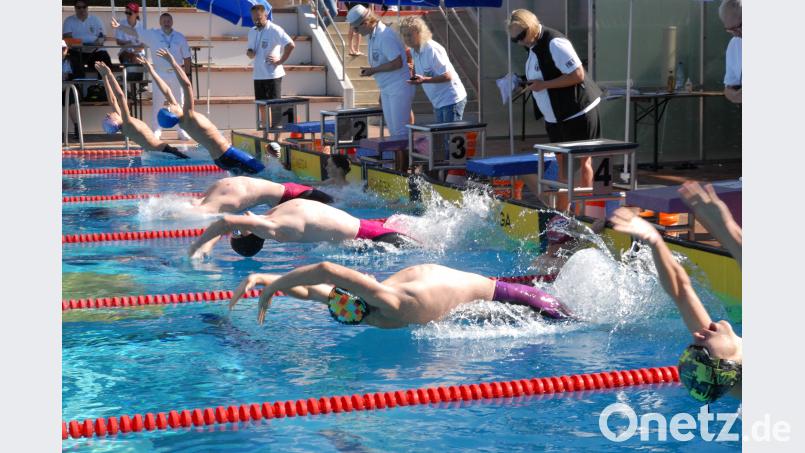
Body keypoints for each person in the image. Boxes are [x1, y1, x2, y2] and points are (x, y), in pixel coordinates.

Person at [609, 206, 741, 403]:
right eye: (702, 348)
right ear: (726, 366)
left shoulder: (722, 356)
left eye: (694, 344)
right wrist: (725, 226)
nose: (697, 334)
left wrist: (655, 241)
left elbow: (680, 291)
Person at [228, 262, 574, 327]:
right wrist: (263, 278)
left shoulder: (394, 304)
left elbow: (327, 270)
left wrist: (272, 286)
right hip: (502, 296)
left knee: (579, 322)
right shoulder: (375, 299)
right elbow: (316, 290)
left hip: (523, 303)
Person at [507, 9, 602, 208]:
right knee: (561, 165)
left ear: (531, 26)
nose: (521, 42)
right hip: (555, 117)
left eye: (522, 36)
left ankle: (585, 211)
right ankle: (562, 213)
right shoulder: (533, 45)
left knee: (583, 162)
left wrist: (545, 85)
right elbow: (545, 72)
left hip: (578, 111)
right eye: (516, 40)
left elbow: (577, 75)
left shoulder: (555, 42)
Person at [140, 49, 266, 175]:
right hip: (229, 154)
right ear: (173, 114)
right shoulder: (189, 116)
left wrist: (151, 71)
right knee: (264, 173)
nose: (171, 103)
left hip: (219, 160)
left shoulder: (183, 122)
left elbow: (166, 91)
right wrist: (172, 61)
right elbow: (187, 85)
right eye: (169, 106)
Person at [188, 199, 417, 259]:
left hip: (374, 228)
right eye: (239, 231)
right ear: (253, 234)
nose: (238, 225)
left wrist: (207, 244)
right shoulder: (275, 228)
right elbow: (227, 222)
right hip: (377, 240)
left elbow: (226, 225)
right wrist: (196, 246)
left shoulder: (271, 215)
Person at [112, 12, 192, 139]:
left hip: (177, 73)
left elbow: (187, 57)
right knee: (158, 103)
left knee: (179, 103)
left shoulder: (179, 37)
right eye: (164, 20)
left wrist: (187, 75)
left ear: (172, 22)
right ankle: (156, 130)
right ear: (160, 22)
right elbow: (135, 32)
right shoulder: (153, 34)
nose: (166, 22)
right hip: (159, 73)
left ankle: (181, 130)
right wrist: (119, 27)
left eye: (169, 20)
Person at [94, 62, 188, 159]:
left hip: (155, 152)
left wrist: (104, 77)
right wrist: (110, 74)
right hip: (164, 151)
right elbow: (120, 96)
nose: (109, 113)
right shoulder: (127, 123)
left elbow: (113, 100)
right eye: (109, 116)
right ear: (114, 121)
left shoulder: (124, 125)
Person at [347, 4, 415, 137]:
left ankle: (406, 158)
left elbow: (397, 62)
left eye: (356, 28)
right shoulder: (372, 35)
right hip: (387, 87)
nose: (355, 31)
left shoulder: (384, 36)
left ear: (366, 23)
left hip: (398, 87)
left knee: (400, 132)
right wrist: (373, 70)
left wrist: (373, 70)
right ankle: (401, 157)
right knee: (393, 131)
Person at [400, 17, 467, 124]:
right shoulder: (413, 50)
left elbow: (448, 76)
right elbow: (411, 59)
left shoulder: (432, 48)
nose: (407, 38)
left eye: (409, 35)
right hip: (437, 102)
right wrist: (410, 69)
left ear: (419, 33)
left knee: (449, 138)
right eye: (404, 35)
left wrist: (423, 80)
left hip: (451, 99)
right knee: (442, 137)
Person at [247, 4, 295, 130]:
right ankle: (265, 129)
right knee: (261, 105)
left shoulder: (275, 29)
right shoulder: (252, 31)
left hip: (273, 74)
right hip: (258, 74)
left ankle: (277, 133)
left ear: (265, 15)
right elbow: (250, 52)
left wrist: (280, 60)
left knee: (275, 105)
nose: (256, 21)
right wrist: (250, 53)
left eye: (259, 18)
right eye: (254, 18)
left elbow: (290, 45)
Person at [190, 176, 334, 215]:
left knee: (193, 206)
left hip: (229, 182)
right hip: (240, 194)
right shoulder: (302, 199)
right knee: (192, 214)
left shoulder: (296, 188)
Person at [531, 214, 605, 280]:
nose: (576, 241)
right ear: (568, 242)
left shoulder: (538, 261)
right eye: (575, 239)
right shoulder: (565, 263)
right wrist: (591, 234)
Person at [62, 0, 113, 79]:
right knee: (73, 62)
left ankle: (104, 87)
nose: (81, 10)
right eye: (79, 7)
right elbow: (67, 39)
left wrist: (93, 46)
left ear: (87, 8)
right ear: (75, 8)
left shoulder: (96, 19)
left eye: (84, 7)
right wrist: (82, 46)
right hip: (77, 51)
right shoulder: (69, 21)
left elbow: (102, 37)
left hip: (96, 50)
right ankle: (78, 88)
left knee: (105, 60)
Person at [719, 0, 742, 104]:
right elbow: (728, 87)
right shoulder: (734, 44)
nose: (735, 34)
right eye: (730, 30)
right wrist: (735, 96)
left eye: (738, 27)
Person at [62, 40, 79, 139]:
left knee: (71, 97)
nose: (61, 51)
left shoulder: (72, 60)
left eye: (63, 49)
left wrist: (69, 76)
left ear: (67, 49)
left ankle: (77, 127)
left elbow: (80, 74)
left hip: (67, 86)